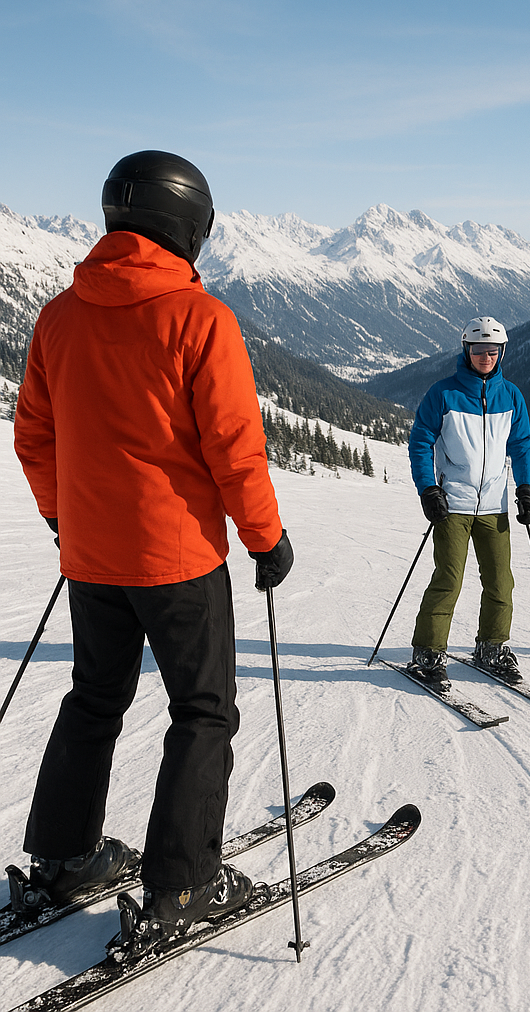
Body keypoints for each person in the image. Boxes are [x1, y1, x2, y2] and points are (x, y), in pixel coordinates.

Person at [12, 150, 293, 949]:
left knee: (94, 699)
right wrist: (266, 538)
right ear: (187, 224)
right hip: (177, 561)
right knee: (203, 712)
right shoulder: (199, 319)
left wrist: (63, 517)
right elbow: (235, 449)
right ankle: (182, 885)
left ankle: (64, 859)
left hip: (91, 559)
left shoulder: (58, 316)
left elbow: (34, 436)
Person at [406, 316, 530, 689]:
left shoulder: (511, 396)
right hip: (453, 504)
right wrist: (428, 489)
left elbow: (522, 444)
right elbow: (420, 442)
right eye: (479, 350)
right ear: (466, 350)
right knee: (448, 579)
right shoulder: (443, 394)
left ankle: (492, 647)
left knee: (500, 581)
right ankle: (429, 654)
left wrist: (526, 489)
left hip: (494, 504)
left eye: (492, 351)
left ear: (501, 352)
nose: (485, 357)